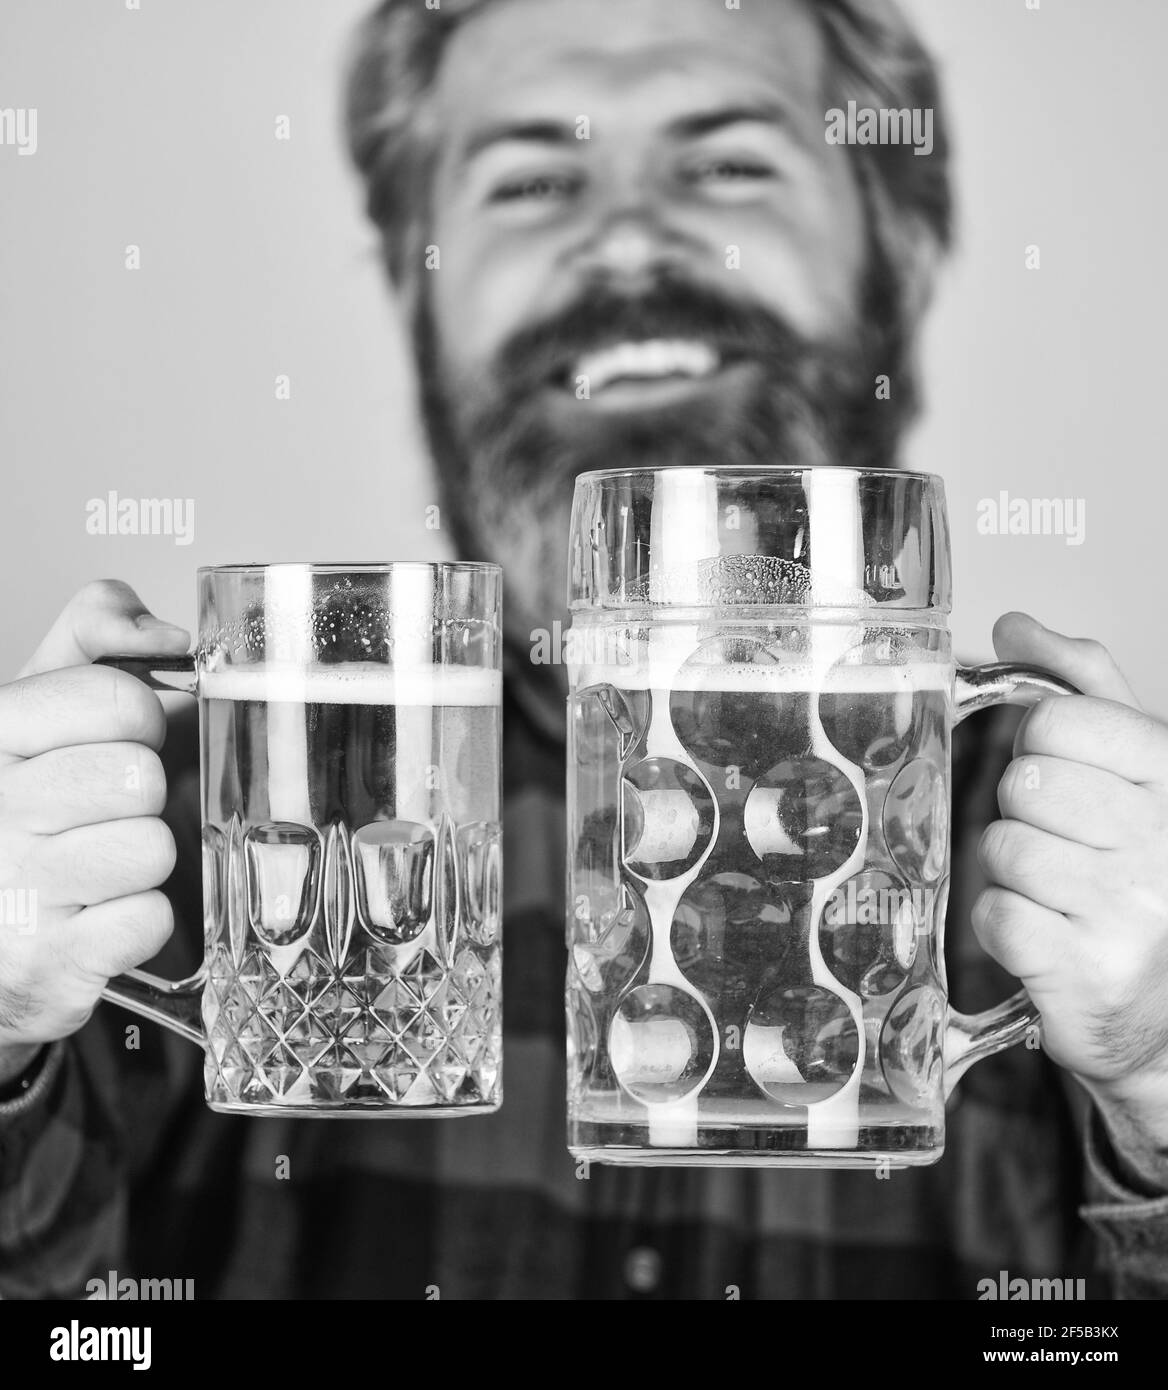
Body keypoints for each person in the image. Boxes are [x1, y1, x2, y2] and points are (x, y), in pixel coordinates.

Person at [2, 0, 1166, 1300]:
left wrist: (1160, 1086)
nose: (622, 236)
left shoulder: (1081, 879)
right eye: (535, 177)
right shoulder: (155, 841)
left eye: (727, 160)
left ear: (898, 243)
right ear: (414, 269)